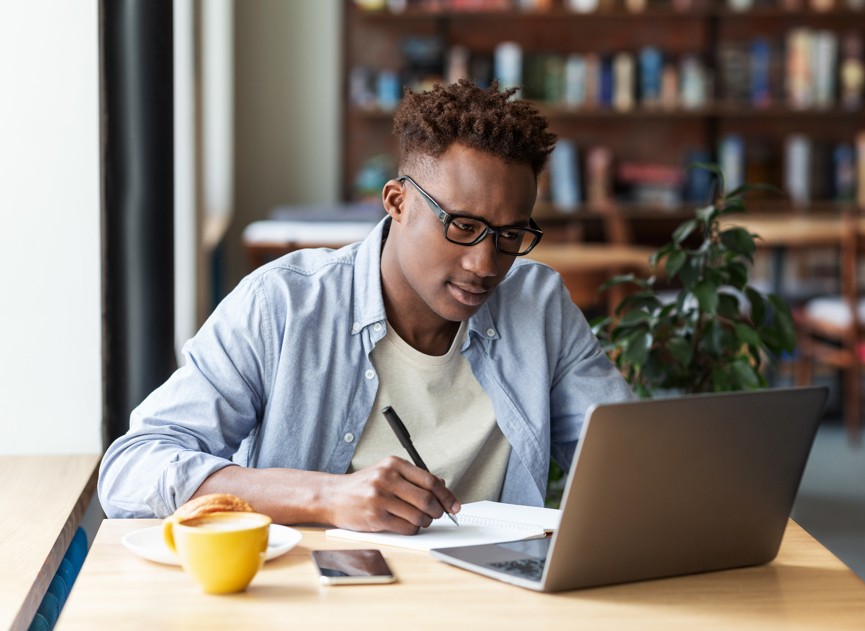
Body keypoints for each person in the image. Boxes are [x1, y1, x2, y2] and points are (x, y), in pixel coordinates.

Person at [98, 79, 634, 534]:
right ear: (397, 202)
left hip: (491, 605)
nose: (485, 264)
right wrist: (325, 498)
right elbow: (131, 468)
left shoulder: (538, 306)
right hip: (313, 604)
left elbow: (630, 462)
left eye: (510, 234)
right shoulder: (284, 303)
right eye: (463, 227)